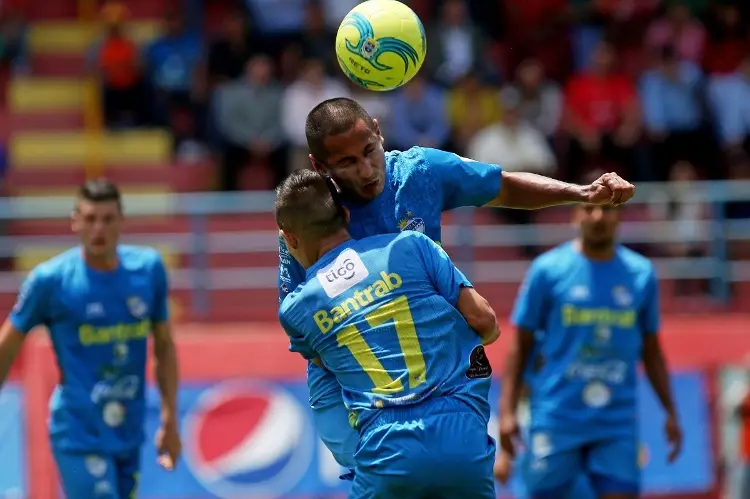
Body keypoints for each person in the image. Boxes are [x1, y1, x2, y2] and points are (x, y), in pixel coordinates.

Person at [277, 97, 636, 476]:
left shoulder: (421, 172)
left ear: (380, 132)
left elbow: (505, 187)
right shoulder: (310, 216)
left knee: (450, 467)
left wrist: (580, 192)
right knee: (374, 472)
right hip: (347, 368)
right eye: (347, 163)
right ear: (320, 166)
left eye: (370, 151)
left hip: (434, 352)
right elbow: (303, 326)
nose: (367, 170)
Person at [277, 169, 499, 498]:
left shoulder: (296, 309)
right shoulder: (413, 245)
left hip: (386, 447)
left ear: (290, 239)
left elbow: (326, 375)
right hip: (462, 435)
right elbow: (485, 320)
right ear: (347, 216)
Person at [499, 172, 682, 499]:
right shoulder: (547, 271)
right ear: (575, 213)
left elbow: (652, 351)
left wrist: (670, 411)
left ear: (620, 218)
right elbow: (520, 347)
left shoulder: (640, 275)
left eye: (608, 210)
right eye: (590, 208)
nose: (598, 217)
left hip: (615, 421)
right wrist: (509, 411)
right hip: (557, 416)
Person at [0, 179, 181, 498]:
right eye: (90, 218)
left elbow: (164, 345)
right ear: (75, 222)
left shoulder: (148, 270)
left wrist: (169, 418)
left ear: (122, 222)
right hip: (78, 431)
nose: (99, 228)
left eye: (108, 219)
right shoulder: (51, 280)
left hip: (129, 429)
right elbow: (10, 340)